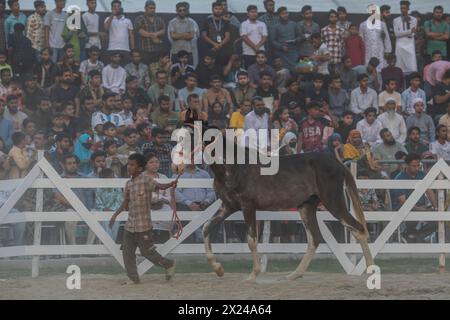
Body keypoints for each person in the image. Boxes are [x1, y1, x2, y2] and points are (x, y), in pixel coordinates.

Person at [108, 153, 177, 284]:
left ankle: (168, 264)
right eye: (128, 164)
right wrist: (115, 215)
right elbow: (125, 202)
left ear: (139, 168)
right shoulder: (128, 184)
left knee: (147, 252)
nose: (129, 167)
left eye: (132, 165)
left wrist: (170, 184)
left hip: (143, 225)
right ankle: (134, 277)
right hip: (130, 225)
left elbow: (159, 186)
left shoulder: (146, 180)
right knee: (127, 252)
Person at [201, 1, 231, 66]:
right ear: (212, 9)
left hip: (222, 49)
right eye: (216, 8)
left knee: (221, 67)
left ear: (222, 10)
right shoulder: (207, 21)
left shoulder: (225, 22)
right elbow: (204, 35)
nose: (218, 10)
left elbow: (227, 37)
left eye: (220, 9)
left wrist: (219, 45)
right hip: (209, 48)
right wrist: (215, 44)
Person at [393, 1, 417, 74]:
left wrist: (407, 32)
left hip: (410, 46)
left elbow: (412, 35)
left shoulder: (413, 19)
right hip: (400, 46)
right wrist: (409, 31)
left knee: (412, 69)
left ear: (408, 8)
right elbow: (396, 34)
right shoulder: (396, 20)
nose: (403, 10)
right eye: (401, 8)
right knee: (400, 69)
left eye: (404, 8)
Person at [321, 9, 345, 74]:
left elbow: (343, 45)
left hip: (338, 60)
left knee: (337, 79)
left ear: (337, 18)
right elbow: (321, 46)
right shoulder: (324, 30)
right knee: (327, 79)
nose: (333, 18)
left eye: (335, 17)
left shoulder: (341, 30)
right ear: (328, 18)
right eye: (331, 17)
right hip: (327, 60)